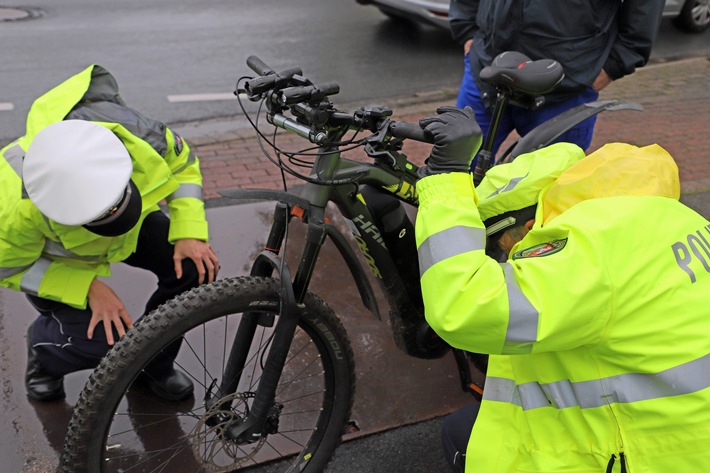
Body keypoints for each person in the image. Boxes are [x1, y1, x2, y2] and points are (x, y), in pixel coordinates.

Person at [415, 107, 710, 471]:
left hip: (656, 454)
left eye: (503, 242)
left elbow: (465, 309)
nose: (505, 254)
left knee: (463, 434)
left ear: (527, 222)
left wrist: (446, 184)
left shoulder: (588, 249)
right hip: (684, 425)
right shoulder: (666, 216)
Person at [0, 65, 220, 402]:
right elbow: (11, 267)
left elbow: (184, 163)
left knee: (194, 268)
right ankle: (45, 352)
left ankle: (152, 365)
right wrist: (85, 287)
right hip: (59, 262)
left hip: (128, 232)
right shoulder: (13, 203)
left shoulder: (133, 133)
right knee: (108, 345)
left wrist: (189, 231)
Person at [448, 0, 665, 167]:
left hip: (566, 84)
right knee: (453, 171)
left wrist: (614, 65)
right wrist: (466, 29)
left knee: (548, 196)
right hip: (487, 68)